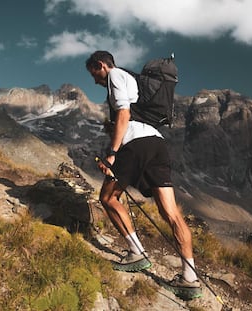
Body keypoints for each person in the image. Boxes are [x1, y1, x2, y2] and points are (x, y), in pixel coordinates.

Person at [85, 51, 202, 299]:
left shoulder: (115, 75)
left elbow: (125, 115)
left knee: (108, 198)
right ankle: (190, 278)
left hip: (135, 145)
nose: (94, 79)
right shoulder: (132, 80)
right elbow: (128, 116)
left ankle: (136, 253)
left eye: (93, 73)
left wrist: (113, 153)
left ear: (101, 65)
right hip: (157, 144)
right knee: (171, 213)